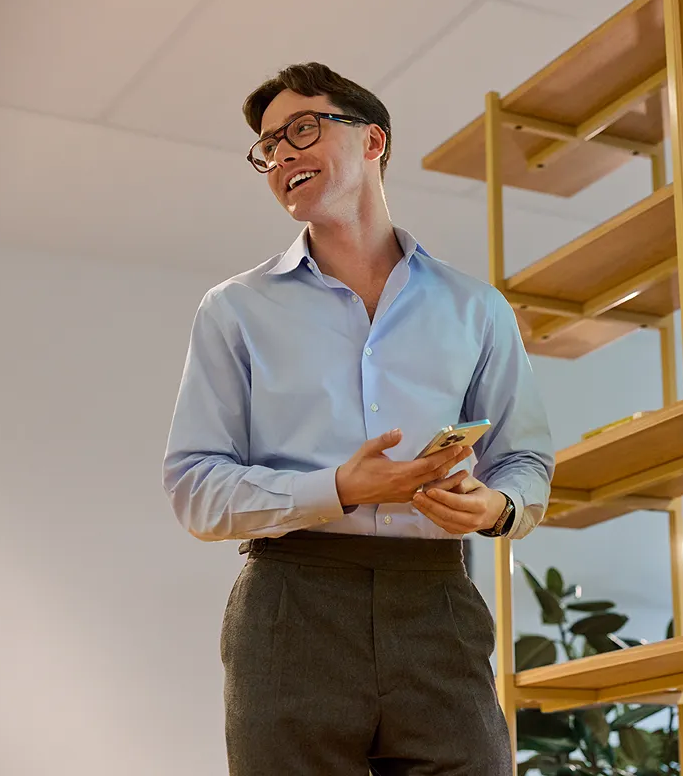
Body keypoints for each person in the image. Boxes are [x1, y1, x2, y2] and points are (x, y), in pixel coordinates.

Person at [162, 62, 554, 775]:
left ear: (373, 141)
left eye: (301, 129)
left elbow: (524, 459)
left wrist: (496, 506)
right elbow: (195, 486)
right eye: (268, 148)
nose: (281, 154)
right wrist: (339, 487)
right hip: (291, 605)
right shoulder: (234, 310)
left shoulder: (477, 308)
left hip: (437, 601)